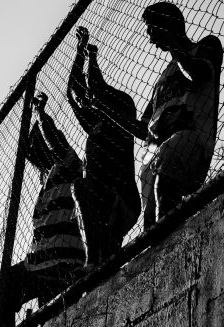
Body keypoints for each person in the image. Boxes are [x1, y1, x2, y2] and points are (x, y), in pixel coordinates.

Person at [95, 2, 223, 228]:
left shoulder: (205, 46)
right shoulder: (162, 79)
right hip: (156, 154)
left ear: (167, 24)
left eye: (152, 28)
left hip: (189, 141)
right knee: (150, 221)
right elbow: (144, 128)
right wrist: (105, 110)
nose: (149, 36)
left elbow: (198, 75)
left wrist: (173, 42)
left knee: (165, 200)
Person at [0, 92, 85, 327]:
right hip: (37, 262)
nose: (31, 156)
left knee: (53, 320)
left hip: (61, 259)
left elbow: (55, 141)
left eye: (34, 149)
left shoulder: (68, 164)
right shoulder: (47, 180)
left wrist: (40, 115)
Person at [67, 26, 140, 266]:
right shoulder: (95, 125)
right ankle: (101, 260)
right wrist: (80, 52)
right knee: (106, 245)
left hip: (121, 198)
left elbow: (95, 88)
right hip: (105, 201)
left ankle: (93, 262)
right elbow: (73, 91)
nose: (88, 101)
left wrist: (93, 58)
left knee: (82, 187)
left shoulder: (122, 110)